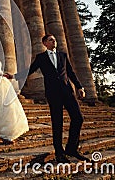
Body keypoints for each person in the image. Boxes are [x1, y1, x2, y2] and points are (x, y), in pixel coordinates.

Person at [11, 34, 89, 163]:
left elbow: (70, 72)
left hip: (68, 91)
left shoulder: (63, 55)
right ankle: (59, 152)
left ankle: (71, 149)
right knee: (57, 122)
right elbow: (30, 70)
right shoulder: (41, 57)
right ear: (44, 43)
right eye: (51, 40)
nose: (54, 41)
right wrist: (14, 76)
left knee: (78, 118)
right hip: (53, 93)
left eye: (54, 39)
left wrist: (80, 87)